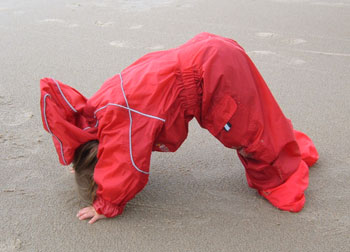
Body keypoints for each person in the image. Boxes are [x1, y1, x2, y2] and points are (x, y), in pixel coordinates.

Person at [40, 32, 319, 224]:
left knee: (250, 135)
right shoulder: (99, 109)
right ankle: (288, 146)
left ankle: (283, 177)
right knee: (261, 113)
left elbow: (127, 164)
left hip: (213, 75)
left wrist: (106, 204)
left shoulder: (121, 124)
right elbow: (101, 143)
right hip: (207, 51)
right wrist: (81, 160)